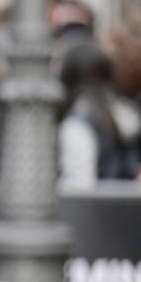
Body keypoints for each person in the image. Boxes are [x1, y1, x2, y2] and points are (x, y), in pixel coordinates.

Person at [57, 39, 141, 188]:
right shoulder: (125, 112)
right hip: (129, 207)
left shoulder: (79, 123)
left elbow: (78, 186)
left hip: (96, 208)